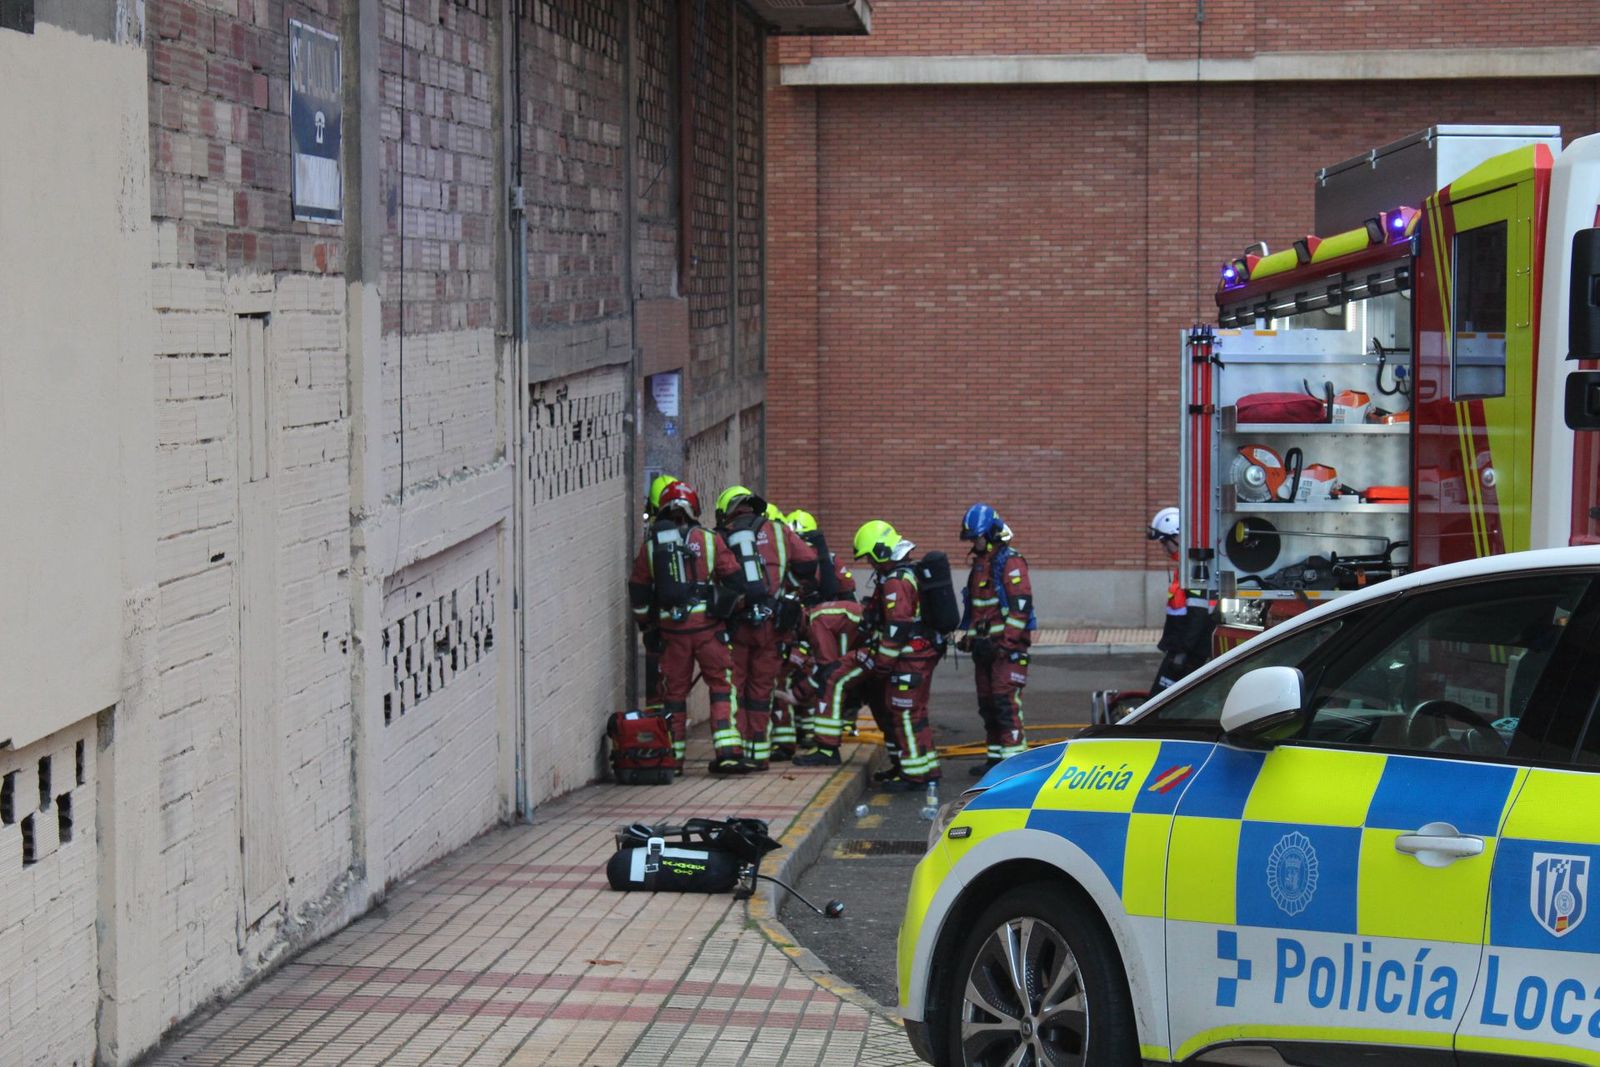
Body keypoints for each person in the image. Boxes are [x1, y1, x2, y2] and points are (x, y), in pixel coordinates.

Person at [627, 481, 753, 775]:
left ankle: (673, 759)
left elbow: (639, 592)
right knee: (721, 686)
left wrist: (648, 628)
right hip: (709, 630)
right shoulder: (709, 540)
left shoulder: (651, 547)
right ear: (694, 509)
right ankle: (728, 752)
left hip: (673, 633)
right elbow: (735, 580)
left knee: (673, 695)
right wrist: (727, 612)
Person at [715, 486, 818, 768]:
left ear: (727, 511)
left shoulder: (722, 536)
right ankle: (759, 754)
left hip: (737, 625)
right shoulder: (779, 531)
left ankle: (736, 749)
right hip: (773, 625)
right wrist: (786, 587)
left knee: (734, 688)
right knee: (762, 689)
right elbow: (809, 562)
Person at [846, 520, 942, 789]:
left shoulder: (896, 582)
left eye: (870, 557)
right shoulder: (905, 575)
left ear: (881, 551)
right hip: (918, 656)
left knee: (905, 714)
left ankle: (913, 775)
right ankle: (926, 769)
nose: (870, 563)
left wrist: (882, 664)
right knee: (915, 714)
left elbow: (897, 627)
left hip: (909, 659)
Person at [956, 503, 1035, 775]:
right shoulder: (981, 565)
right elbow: (979, 611)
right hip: (985, 650)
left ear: (990, 534)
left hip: (1005, 652)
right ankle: (995, 760)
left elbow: (1020, 609)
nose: (973, 543)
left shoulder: (1010, 562)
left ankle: (1015, 767)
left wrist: (1005, 644)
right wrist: (970, 639)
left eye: (976, 537)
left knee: (1005, 705)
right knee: (988, 707)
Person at [789, 598, 864, 767]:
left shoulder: (815, 623)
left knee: (830, 683)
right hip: (876, 647)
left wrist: (800, 693)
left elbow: (827, 666)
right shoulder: (819, 613)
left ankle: (827, 751)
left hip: (872, 649)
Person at [1148, 506, 1213, 694]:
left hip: (1188, 652)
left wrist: (1182, 653)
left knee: (1161, 700)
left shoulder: (1192, 568)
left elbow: (1198, 614)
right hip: (1181, 648)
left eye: (1164, 542)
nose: (1163, 548)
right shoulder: (1185, 566)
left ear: (1177, 537)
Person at [639, 474, 682, 710]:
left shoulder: (652, 536)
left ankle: (657, 718)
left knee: (658, 674)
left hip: (658, 618)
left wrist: (644, 621)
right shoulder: (690, 534)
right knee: (677, 678)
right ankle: (671, 719)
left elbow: (640, 581)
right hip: (686, 619)